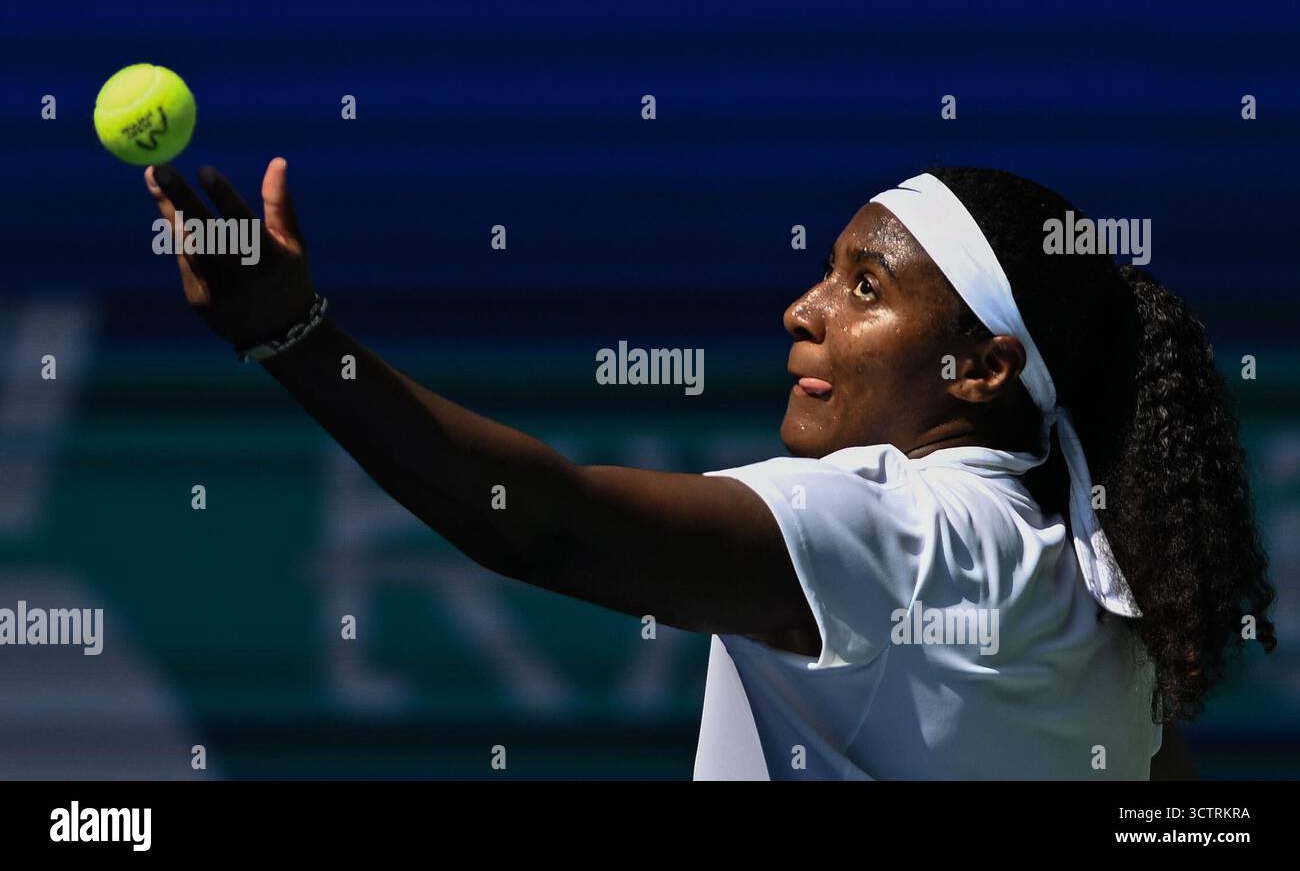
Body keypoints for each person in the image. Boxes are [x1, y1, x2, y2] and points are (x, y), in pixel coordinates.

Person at [143, 160, 1276, 780]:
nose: (804, 310)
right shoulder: (1098, 583)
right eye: (825, 275)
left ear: (980, 367)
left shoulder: (900, 528)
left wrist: (296, 341)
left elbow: (548, 525)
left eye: (864, 289)